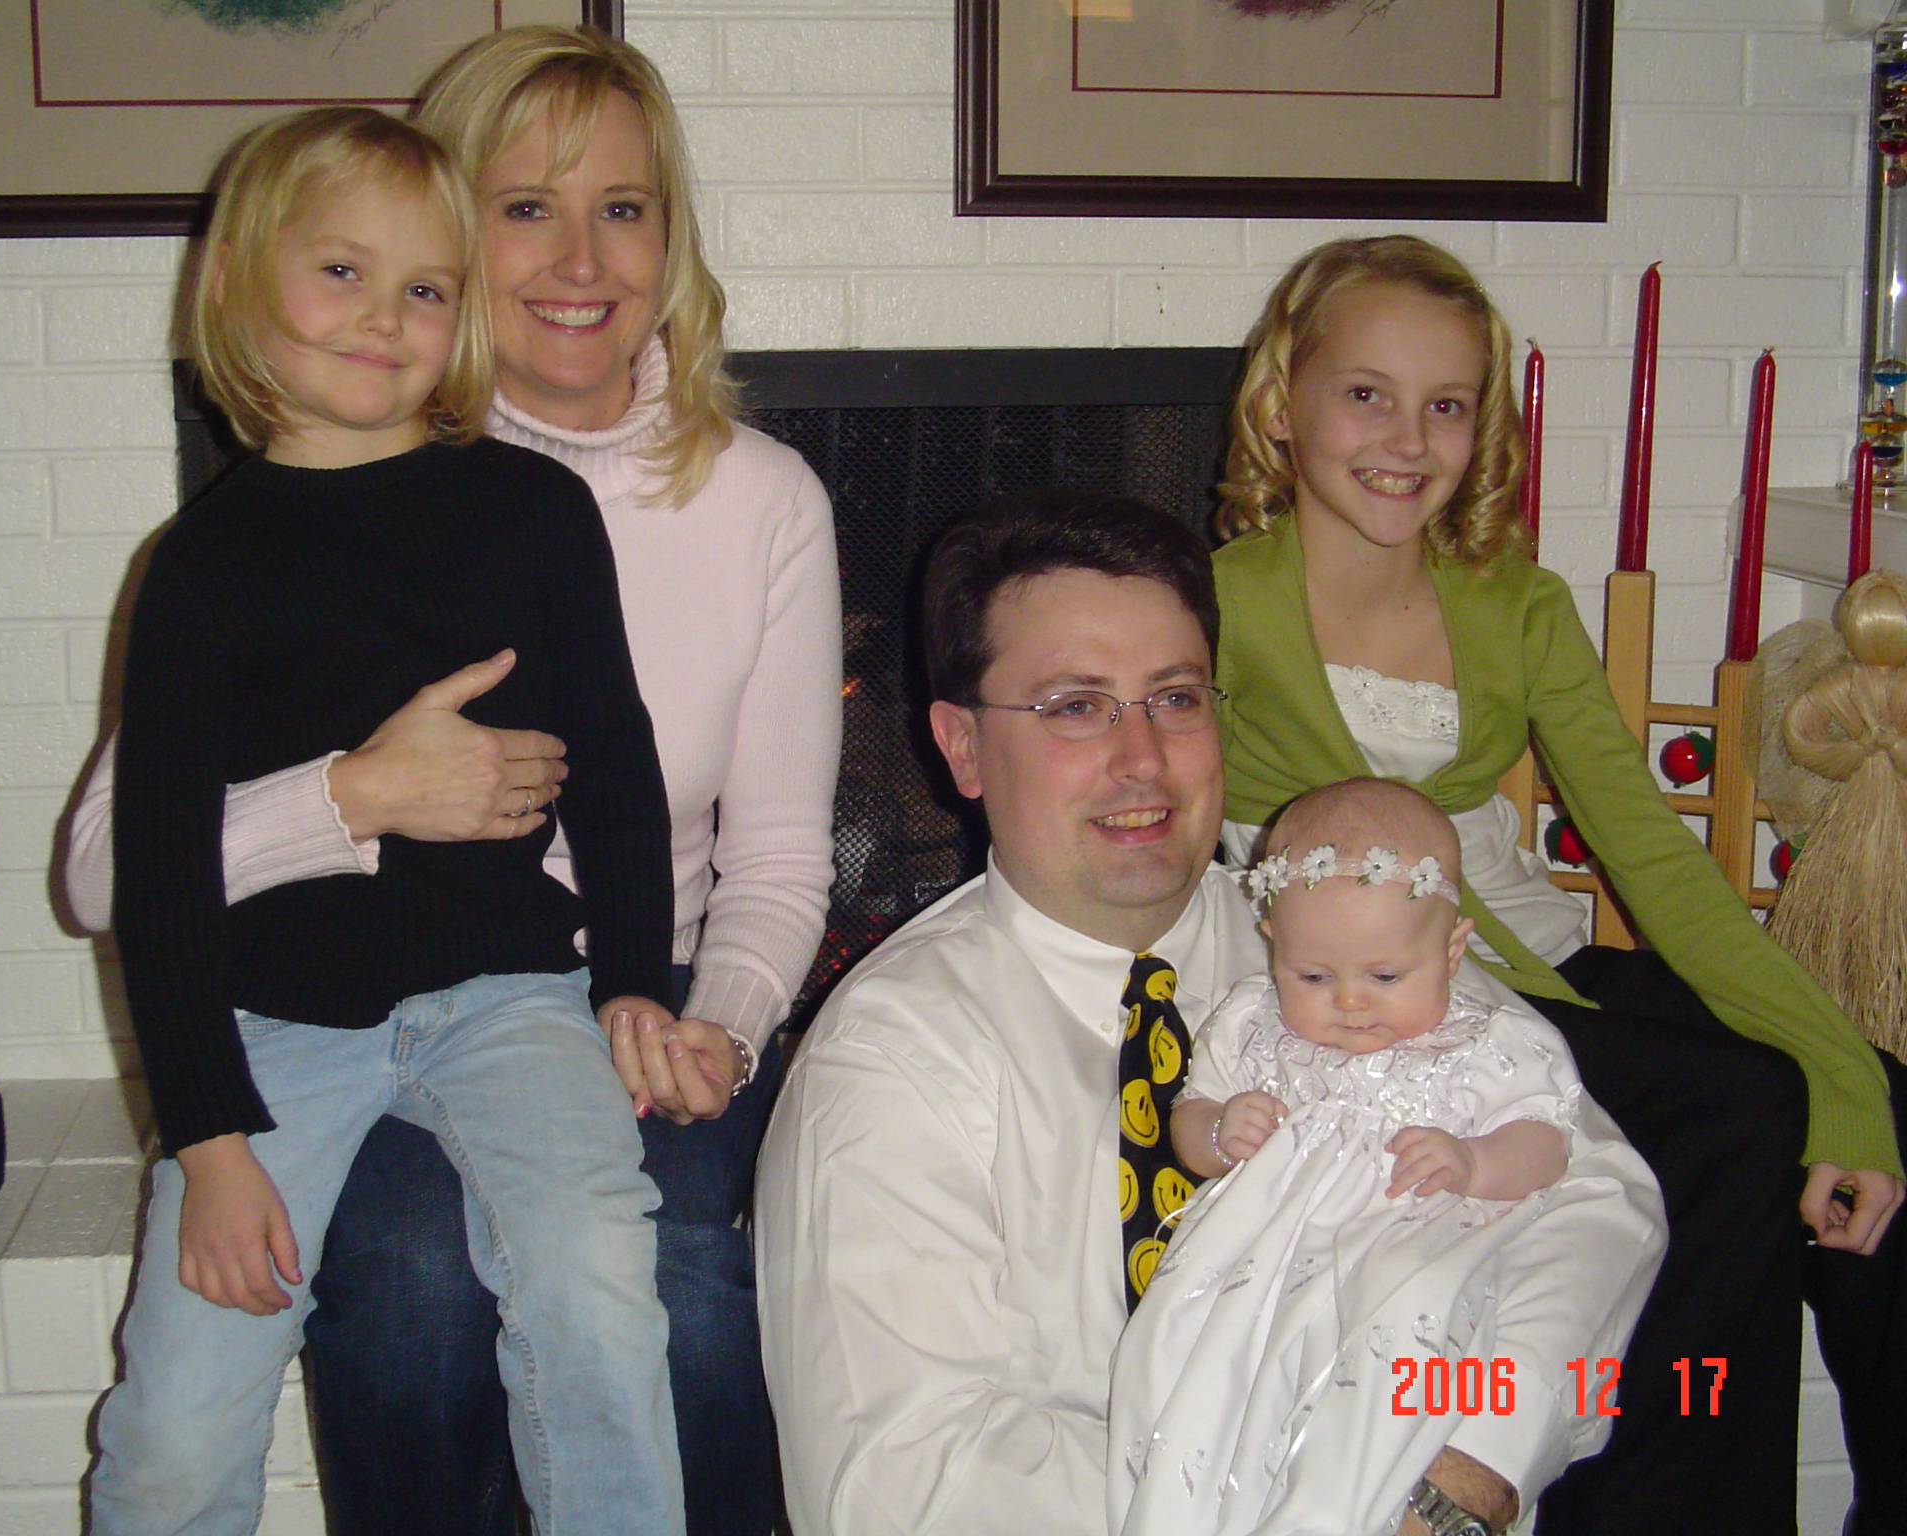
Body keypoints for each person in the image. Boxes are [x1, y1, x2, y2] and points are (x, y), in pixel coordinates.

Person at [66, 27, 839, 1535]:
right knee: (363, 1311)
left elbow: (742, 837)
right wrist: (355, 796)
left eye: (623, 207)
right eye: (527, 205)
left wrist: (684, 1011)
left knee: (653, 1278)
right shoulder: (225, 550)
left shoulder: (708, 503)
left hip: (564, 1000)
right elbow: (121, 872)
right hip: (292, 1016)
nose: (581, 256)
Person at [755, 489, 1664, 1536]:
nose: (1142, 758)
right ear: (962, 747)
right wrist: (1296, 1508)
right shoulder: (891, 1058)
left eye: (1176, 698)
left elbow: (1601, 1196)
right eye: (1076, 706)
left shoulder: (1335, 939)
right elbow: (905, 1483)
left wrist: (1469, 1474)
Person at [1209, 232, 1907, 1533]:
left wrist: (1846, 1073)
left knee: (1869, 1105)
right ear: (1282, 403)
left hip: (1542, 964)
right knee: (1735, 1111)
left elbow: (1652, 858)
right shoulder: (1218, 607)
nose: (1406, 439)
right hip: (1392, 1003)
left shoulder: (1515, 605)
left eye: (1446, 404)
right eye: (1365, 393)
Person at [1109, 777, 1654, 1536]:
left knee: (1385, 1399)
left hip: (1409, 1272)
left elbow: (1548, 1143)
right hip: (1253, 1282)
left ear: (1452, 948)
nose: (1351, 1001)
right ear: (1272, 942)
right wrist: (1219, 1129)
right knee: (1197, 1388)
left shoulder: (1490, 1044)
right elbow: (1189, 1124)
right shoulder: (1251, 1022)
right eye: (1313, 976)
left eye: (1385, 977)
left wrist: (1475, 1161)